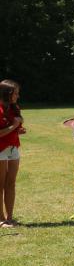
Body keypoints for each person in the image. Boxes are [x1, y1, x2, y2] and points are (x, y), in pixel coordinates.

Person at [0, 80, 23, 227]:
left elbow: (12, 128)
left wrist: (18, 129)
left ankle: (10, 217)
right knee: (0, 184)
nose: (17, 96)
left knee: (11, 184)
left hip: (14, 148)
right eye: (15, 93)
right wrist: (14, 125)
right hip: (1, 149)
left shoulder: (14, 108)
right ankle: (1, 219)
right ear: (7, 93)